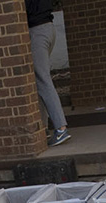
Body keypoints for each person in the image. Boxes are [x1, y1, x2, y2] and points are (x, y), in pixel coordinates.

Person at [26, 0, 70, 147]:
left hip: (37, 31)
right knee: (39, 81)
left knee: (43, 80)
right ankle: (43, 128)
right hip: (47, 29)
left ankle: (61, 128)